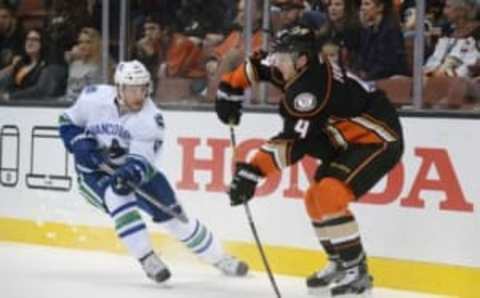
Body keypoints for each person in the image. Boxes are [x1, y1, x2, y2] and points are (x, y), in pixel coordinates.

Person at [214, 24, 404, 296]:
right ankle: (339, 263)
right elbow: (257, 67)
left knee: (329, 195)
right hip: (342, 138)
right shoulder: (298, 63)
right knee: (314, 198)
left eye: (282, 57)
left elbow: (294, 143)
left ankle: (357, 271)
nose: (276, 62)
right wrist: (230, 87)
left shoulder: (311, 90)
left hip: (377, 140)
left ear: (301, 59)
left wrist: (252, 171)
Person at [58, 60, 249, 284]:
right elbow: (67, 121)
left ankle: (219, 258)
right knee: (116, 196)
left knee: (177, 219)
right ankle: (147, 258)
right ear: (119, 88)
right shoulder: (92, 97)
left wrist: (129, 173)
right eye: (133, 89)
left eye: (144, 88)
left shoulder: (151, 119)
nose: (140, 95)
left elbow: (141, 161)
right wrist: (79, 143)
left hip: (138, 172)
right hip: (93, 174)